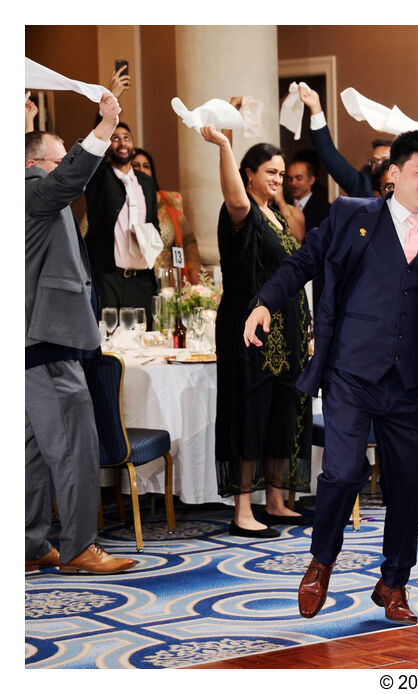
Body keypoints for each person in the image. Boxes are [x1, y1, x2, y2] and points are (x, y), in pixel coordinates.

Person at [242, 129, 418, 624]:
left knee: (411, 487)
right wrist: (265, 303)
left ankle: (394, 582)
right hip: (351, 373)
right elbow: (303, 262)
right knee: (342, 472)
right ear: (394, 173)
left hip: (413, 381)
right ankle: (321, 562)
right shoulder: (351, 215)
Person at [26, 91, 136, 575]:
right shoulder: (32, 183)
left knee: (32, 451)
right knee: (73, 444)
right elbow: (68, 177)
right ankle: (76, 547)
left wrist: (27, 116)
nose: (66, 168)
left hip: (32, 339)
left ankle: (28, 546)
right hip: (46, 339)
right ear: (37, 163)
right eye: (58, 158)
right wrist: (104, 125)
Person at [198, 127, 311, 538]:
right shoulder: (241, 212)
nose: (278, 179)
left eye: (281, 173)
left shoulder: (277, 216)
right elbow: (233, 197)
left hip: (286, 331)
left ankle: (276, 501)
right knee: (249, 411)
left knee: (280, 411)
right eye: (269, 172)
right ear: (248, 174)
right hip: (248, 330)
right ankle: (243, 510)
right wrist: (225, 147)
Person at [83, 119, 160, 329]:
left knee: (145, 341)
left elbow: (154, 224)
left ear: (133, 144)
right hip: (109, 277)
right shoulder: (99, 177)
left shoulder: (146, 182)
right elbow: (92, 149)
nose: (122, 143)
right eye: (114, 139)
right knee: (110, 342)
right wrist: (105, 114)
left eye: (126, 138)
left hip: (142, 279)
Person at [297, 85, 390, 198]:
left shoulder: (410, 185)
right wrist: (315, 107)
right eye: (374, 161)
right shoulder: (361, 184)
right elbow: (329, 155)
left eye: (384, 161)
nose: (377, 165)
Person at [131, 148, 202, 285]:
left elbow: (187, 239)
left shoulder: (170, 200)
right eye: (136, 166)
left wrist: (194, 271)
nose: (141, 170)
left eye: (146, 166)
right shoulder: (118, 201)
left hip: (169, 281)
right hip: (135, 280)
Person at [286, 159, 330, 231]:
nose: (293, 183)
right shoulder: (283, 205)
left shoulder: (324, 209)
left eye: (299, 178)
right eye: (290, 179)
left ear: (311, 180)